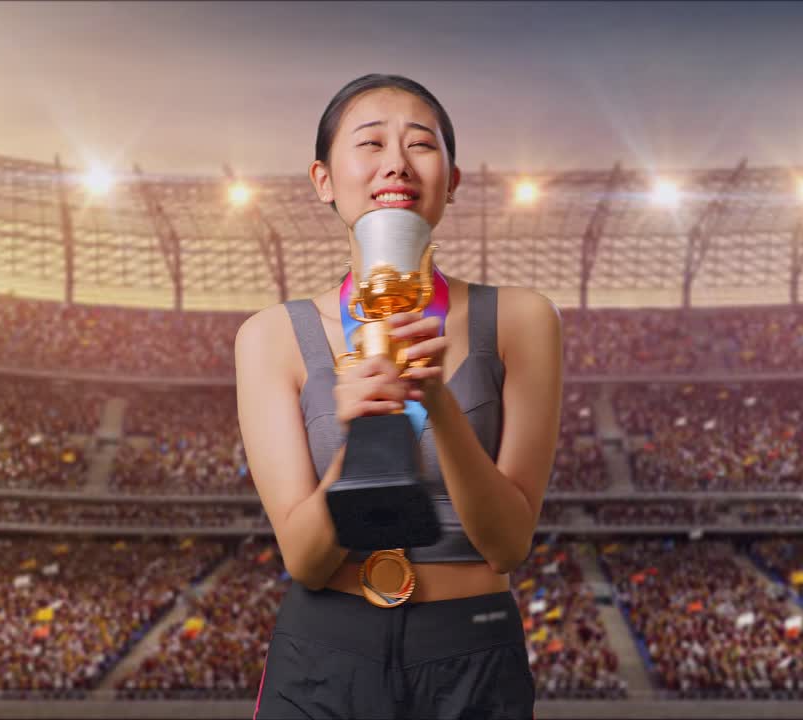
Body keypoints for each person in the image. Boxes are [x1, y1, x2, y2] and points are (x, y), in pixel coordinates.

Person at [234, 73, 563, 719]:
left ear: (453, 179)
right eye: (370, 143)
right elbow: (305, 558)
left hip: (471, 646)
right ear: (323, 178)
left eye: (421, 144)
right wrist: (357, 436)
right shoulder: (271, 336)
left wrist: (435, 396)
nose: (396, 163)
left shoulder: (524, 319)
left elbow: (507, 543)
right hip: (326, 650)